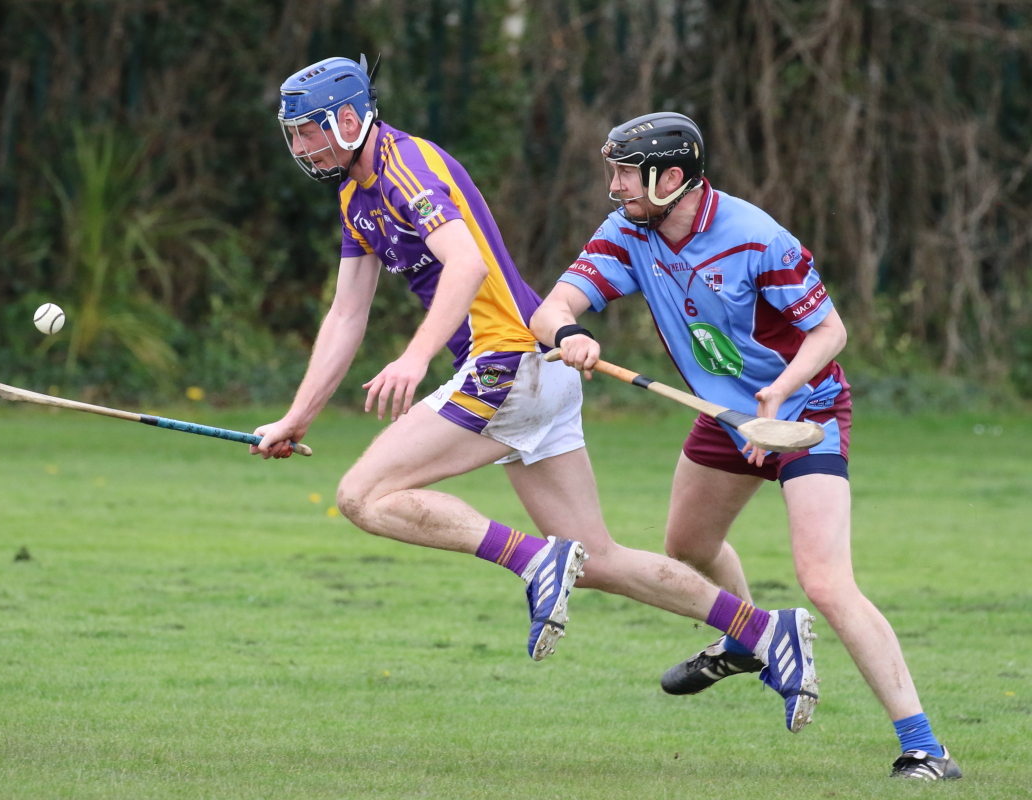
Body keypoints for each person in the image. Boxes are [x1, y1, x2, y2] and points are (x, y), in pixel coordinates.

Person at [253, 56, 818, 731]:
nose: (301, 147)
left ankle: (533, 560)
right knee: (598, 559)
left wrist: (414, 356)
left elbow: (464, 264)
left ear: (349, 119)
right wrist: (296, 417)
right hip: (539, 371)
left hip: (506, 363)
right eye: (294, 135)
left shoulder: (408, 169)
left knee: (363, 496)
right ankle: (764, 632)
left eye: (310, 131)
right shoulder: (356, 196)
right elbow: (346, 315)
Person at [530, 112, 961, 780]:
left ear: (672, 177)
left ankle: (925, 747)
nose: (614, 187)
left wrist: (777, 395)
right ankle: (750, 640)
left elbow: (830, 333)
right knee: (688, 546)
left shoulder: (756, 238)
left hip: (806, 412)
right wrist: (568, 335)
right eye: (611, 172)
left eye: (626, 173)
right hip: (722, 415)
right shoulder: (627, 232)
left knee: (824, 580)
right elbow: (550, 307)